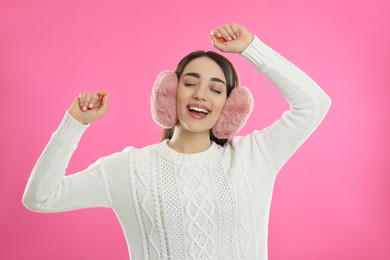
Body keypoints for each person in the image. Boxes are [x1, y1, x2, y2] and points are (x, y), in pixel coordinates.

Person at [22, 23, 332, 260]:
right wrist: (74, 124)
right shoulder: (129, 169)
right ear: (169, 93)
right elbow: (40, 198)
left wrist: (251, 48)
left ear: (230, 105)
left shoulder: (255, 157)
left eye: (215, 88)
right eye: (190, 83)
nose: (200, 94)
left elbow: (314, 104)